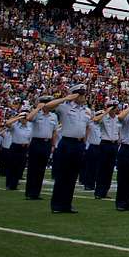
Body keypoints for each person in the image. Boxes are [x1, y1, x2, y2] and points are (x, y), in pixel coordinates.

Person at [44, 84, 91, 214]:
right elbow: (47, 106)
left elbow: (87, 127)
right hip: (67, 143)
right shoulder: (65, 107)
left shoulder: (87, 110)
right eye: (80, 94)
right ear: (74, 95)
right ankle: (57, 205)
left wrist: (84, 141)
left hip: (79, 144)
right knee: (62, 175)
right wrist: (66, 98)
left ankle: (67, 204)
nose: (83, 96)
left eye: (83, 94)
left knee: (73, 176)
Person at [25, 94, 57, 201]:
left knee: (41, 169)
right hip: (36, 142)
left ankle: (36, 192)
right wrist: (37, 108)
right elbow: (28, 118)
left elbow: (54, 132)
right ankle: (30, 192)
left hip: (47, 143)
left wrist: (53, 144)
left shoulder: (53, 116)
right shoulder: (37, 114)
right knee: (33, 168)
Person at [94, 100, 121, 200]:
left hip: (114, 145)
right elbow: (95, 120)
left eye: (116, 107)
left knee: (109, 170)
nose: (115, 109)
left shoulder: (118, 119)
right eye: (113, 108)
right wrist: (106, 112)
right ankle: (98, 192)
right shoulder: (104, 118)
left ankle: (105, 191)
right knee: (102, 169)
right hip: (105, 144)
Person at [3, 106, 33, 191]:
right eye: (23, 117)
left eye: (25, 117)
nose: (24, 119)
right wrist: (18, 117)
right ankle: (9, 184)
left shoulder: (30, 126)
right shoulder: (15, 125)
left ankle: (14, 184)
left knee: (20, 167)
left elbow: (31, 136)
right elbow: (7, 123)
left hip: (24, 148)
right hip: (15, 146)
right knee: (12, 166)